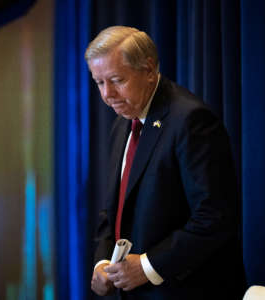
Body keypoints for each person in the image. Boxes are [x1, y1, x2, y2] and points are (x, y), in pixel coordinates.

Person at [85, 26, 246, 299]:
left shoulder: (191, 121)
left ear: (148, 70)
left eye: (116, 80)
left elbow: (215, 218)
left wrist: (148, 266)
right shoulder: (122, 123)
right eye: (99, 82)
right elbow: (113, 210)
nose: (107, 95)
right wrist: (102, 263)